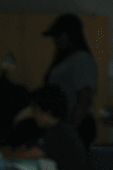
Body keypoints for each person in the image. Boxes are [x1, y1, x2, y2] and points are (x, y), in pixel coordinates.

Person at [42, 13, 98, 148]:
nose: (56, 40)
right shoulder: (65, 59)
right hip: (63, 124)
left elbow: (84, 98)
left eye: (59, 35)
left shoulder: (81, 59)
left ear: (70, 35)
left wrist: (70, 131)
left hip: (76, 125)